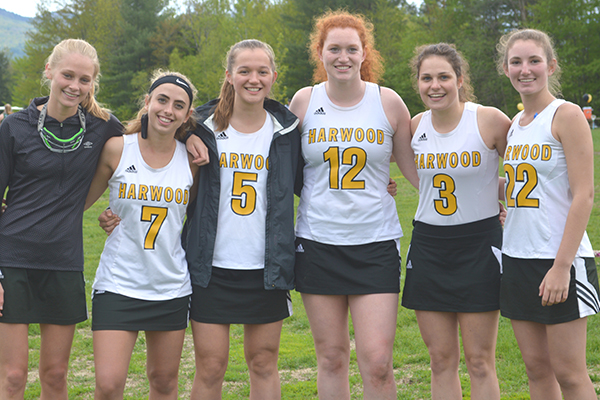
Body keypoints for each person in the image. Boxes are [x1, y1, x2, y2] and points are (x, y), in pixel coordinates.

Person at [288, 10, 418, 399]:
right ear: (320, 53)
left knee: (377, 363)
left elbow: (419, 173)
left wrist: (487, 201)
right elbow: (287, 173)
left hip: (375, 243)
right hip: (317, 242)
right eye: (334, 49)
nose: (343, 57)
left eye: (351, 49)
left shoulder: (389, 102)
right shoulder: (303, 102)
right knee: (331, 357)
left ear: (365, 53)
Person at [0, 39, 121, 399]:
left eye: (85, 80)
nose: (75, 86)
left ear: (93, 84)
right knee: (13, 377)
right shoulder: (14, 127)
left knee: (55, 375)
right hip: (12, 260)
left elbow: (158, 130)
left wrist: (194, 137)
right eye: (68, 75)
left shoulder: (103, 126)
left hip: (63, 262)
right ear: (49, 71)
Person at [183, 39, 301, 399]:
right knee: (211, 366)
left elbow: (315, 180)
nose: (254, 79)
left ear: (273, 76)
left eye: (262, 71)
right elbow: (148, 128)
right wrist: (186, 135)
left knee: (264, 362)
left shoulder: (288, 130)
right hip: (210, 266)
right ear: (229, 75)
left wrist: (380, 185)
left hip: (266, 266)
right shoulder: (199, 126)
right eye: (245, 71)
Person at [400, 43, 510, 399]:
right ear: (417, 83)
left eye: (444, 77)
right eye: (426, 77)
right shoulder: (416, 126)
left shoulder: (489, 119)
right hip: (430, 245)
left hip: (479, 244)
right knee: (440, 360)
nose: (435, 85)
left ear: (460, 80)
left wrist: (507, 203)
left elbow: (526, 171)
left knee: (480, 361)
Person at [497, 28, 599, 400]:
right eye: (516, 62)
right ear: (505, 69)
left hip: (559, 261)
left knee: (570, 374)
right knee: (537, 371)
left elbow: (584, 195)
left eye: (534, 60)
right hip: (518, 258)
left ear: (550, 65)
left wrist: (562, 265)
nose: (525, 69)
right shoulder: (514, 125)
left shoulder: (566, 114)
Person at [84, 70, 199, 399]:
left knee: (164, 383)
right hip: (119, 282)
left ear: (187, 115)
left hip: (170, 286)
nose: (168, 110)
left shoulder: (192, 159)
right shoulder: (118, 148)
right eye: (162, 100)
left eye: (179, 105)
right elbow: (78, 202)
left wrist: (194, 138)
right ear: (147, 102)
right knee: (108, 385)